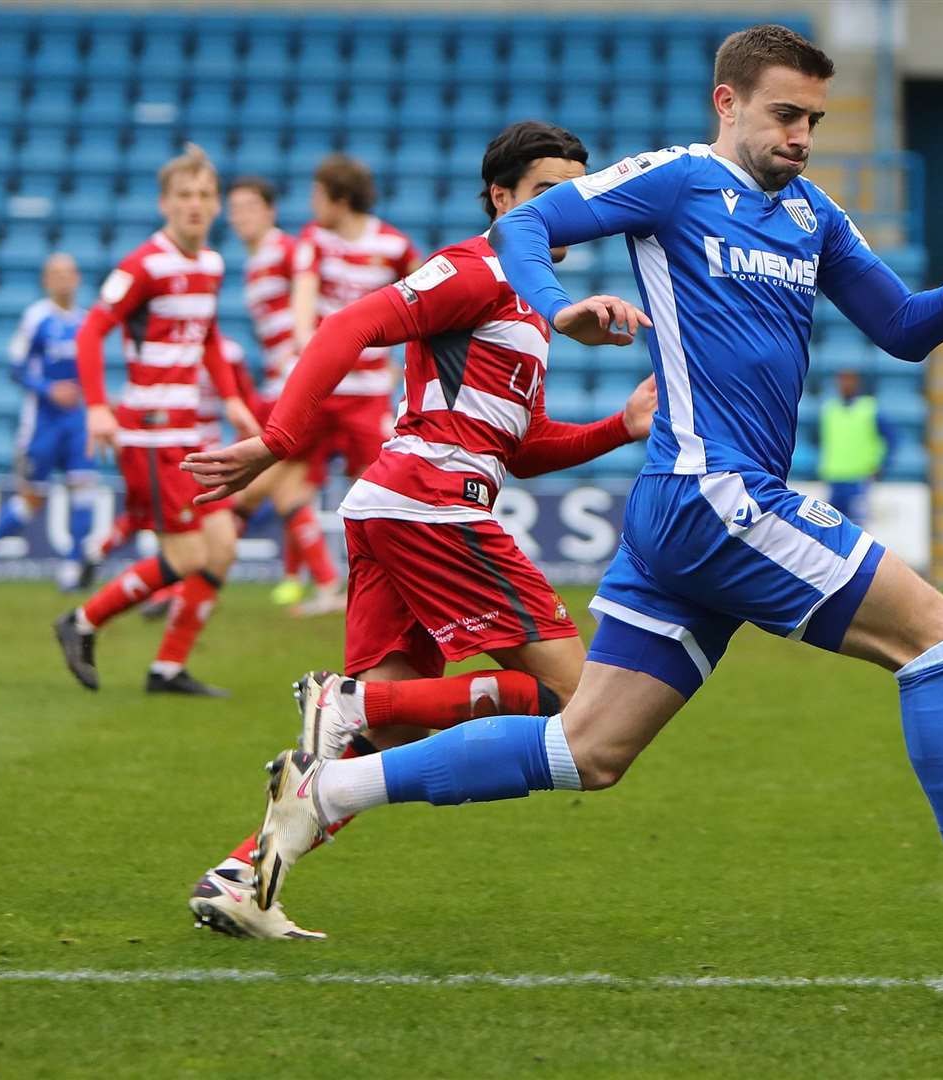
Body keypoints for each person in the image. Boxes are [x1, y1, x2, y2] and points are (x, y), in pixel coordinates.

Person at [197, 27, 943, 963]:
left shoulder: (812, 215)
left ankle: (326, 793)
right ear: (728, 103)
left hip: (687, 514)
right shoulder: (677, 180)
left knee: (586, 750)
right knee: (940, 641)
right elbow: (525, 225)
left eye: (814, 119)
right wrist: (554, 303)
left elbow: (901, 328)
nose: (802, 135)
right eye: (784, 114)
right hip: (714, 492)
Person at [182, 121, 656, 940]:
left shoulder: (531, 303)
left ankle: (241, 878)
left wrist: (622, 425)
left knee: (390, 735)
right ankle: (344, 698)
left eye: (578, 195)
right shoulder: (479, 268)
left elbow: (522, 445)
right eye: (548, 193)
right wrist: (279, 440)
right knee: (585, 704)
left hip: (400, 507)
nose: (568, 210)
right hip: (430, 506)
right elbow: (347, 326)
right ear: (501, 199)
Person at [53, 144, 259, 696]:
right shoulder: (142, 265)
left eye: (204, 195)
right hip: (148, 431)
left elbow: (209, 335)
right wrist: (98, 406)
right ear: (165, 203)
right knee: (188, 555)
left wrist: (234, 397)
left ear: (215, 205)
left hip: (187, 431)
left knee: (222, 548)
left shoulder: (211, 264)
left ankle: (167, 668)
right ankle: (82, 621)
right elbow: (91, 331)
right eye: (184, 195)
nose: (195, 205)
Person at [273, 154, 422, 615]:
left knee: (376, 488)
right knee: (286, 484)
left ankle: (395, 584)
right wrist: (308, 350)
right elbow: (303, 300)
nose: (311, 204)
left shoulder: (394, 246)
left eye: (318, 195)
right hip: (322, 387)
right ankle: (326, 582)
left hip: (367, 393)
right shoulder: (313, 242)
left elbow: (425, 300)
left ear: (340, 197)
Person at [224, 176, 341, 611]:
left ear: (270, 211)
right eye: (234, 209)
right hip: (283, 383)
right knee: (288, 493)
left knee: (248, 489)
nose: (241, 216)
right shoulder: (254, 262)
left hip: (298, 384)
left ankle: (199, 573)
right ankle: (327, 585)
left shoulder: (288, 251)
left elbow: (325, 298)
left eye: (250, 206)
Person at [0, 253, 99, 590]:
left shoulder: (87, 321)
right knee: (32, 499)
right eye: (56, 274)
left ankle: (73, 567)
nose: (63, 279)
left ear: (77, 278)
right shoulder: (35, 318)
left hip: (77, 423)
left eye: (68, 273)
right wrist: (50, 389)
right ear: (46, 281)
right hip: (42, 425)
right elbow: (16, 368)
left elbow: (93, 372)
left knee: (84, 490)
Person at [818, 368, 897, 523]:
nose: (845, 385)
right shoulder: (829, 409)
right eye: (842, 381)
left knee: (856, 528)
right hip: (834, 477)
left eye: (850, 381)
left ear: (857, 384)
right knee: (832, 527)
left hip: (859, 478)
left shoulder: (870, 409)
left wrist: (882, 464)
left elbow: (892, 438)